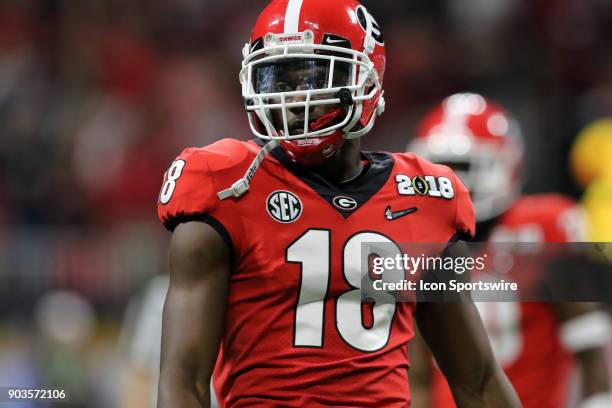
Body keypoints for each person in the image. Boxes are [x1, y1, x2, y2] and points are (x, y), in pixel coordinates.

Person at [156, 2, 520, 407]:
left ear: (367, 77)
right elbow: (183, 379)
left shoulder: (426, 199)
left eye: (312, 74)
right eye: (277, 77)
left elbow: (478, 380)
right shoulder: (225, 185)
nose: (293, 99)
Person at [409, 92, 612, 408]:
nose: (452, 180)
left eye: (463, 166)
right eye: (441, 167)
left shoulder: (543, 226)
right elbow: (416, 375)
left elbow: (590, 341)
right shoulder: (414, 242)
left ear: (506, 166)